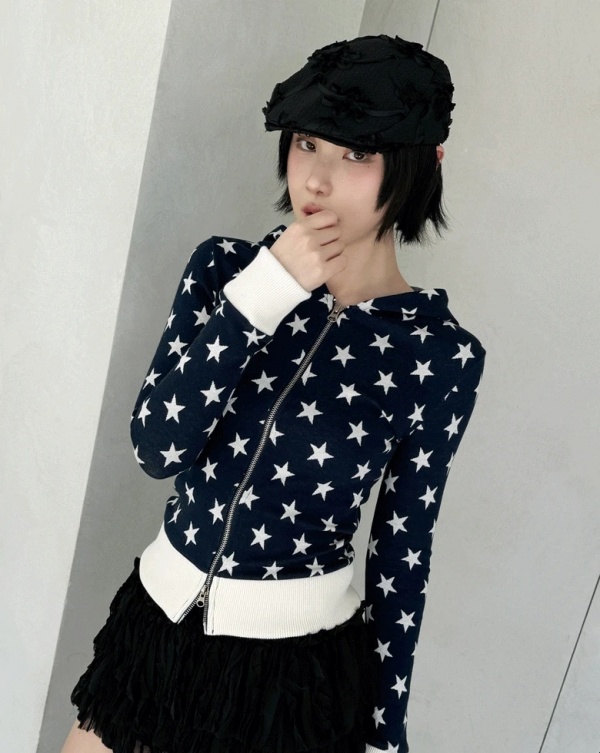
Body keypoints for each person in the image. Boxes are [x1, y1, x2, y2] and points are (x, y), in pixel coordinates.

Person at [61, 33, 486, 753]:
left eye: (357, 155)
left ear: (424, 164)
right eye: (307, 143)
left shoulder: (440, 357)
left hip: (290, 680)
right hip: (155, 630)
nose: (316, 180)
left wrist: (385, 735)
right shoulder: (223, 272)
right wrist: (263, 294)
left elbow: (402, 554)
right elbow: (157, 448)